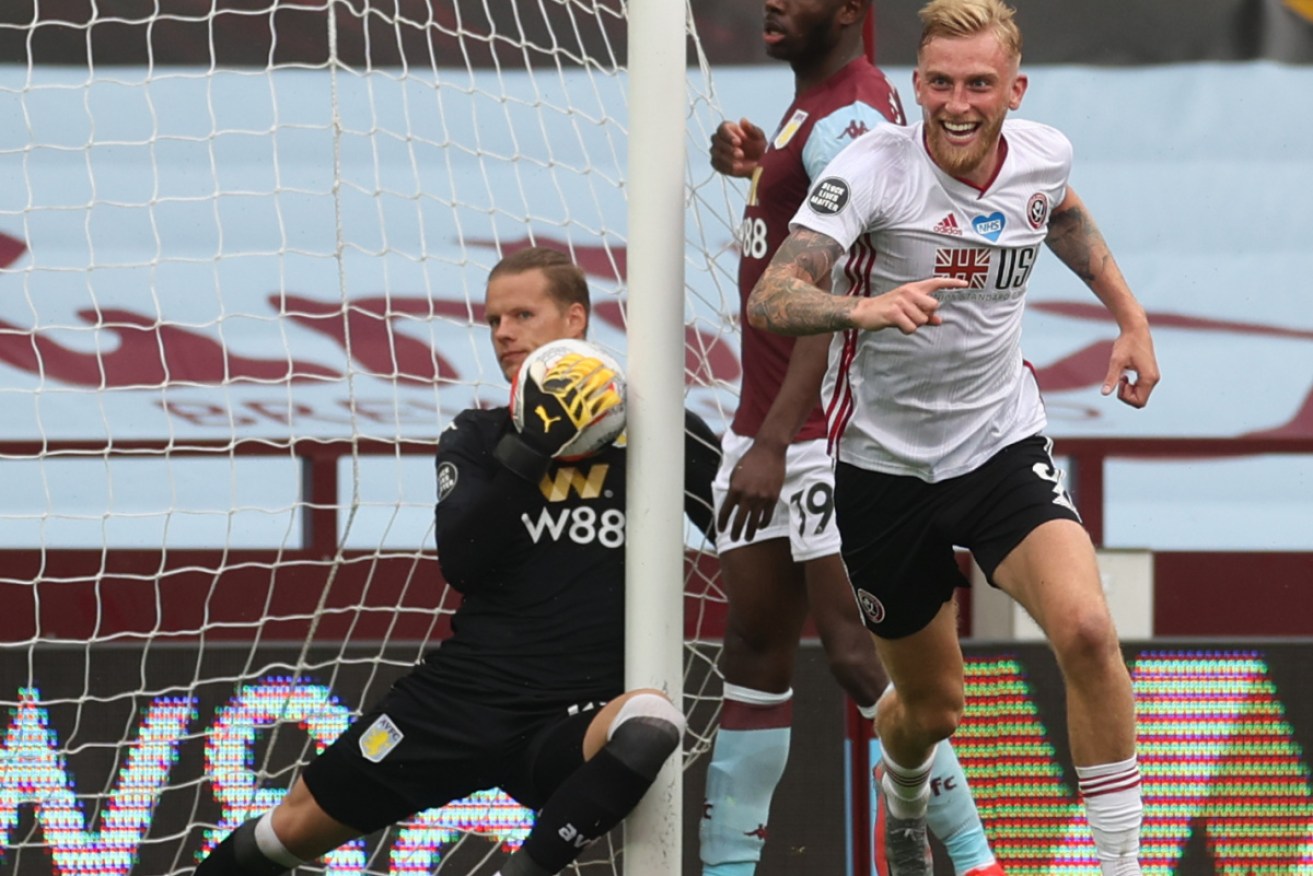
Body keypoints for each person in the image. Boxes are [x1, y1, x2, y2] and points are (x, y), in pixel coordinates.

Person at [746, 0, 1160, 874]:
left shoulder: (1042, 154)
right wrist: (862, 306)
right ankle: (902, 797)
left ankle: (1122, 865)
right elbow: (774, 296)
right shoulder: (870, 171)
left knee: (1087, 629)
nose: (958, 103)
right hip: (882, 470)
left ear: (1014, 89)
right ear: (915, 85)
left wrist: (1129, 317)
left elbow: (1062, 217)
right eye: (939, 82)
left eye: (979, 84)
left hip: (1000, 444)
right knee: (930, 710)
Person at [192, 246, 721, 876]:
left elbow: (735, 536)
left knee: (652, 721)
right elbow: (463, 565)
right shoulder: (477, 436)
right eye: (493, 320)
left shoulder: (661, 433)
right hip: (463, 699)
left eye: (523, 314)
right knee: (293, 827)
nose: (503, 334)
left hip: (571, 715)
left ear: (576, 318)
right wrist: (531, 446)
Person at [700, 1, 1002, 875]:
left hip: (814, 435)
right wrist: (767, 167)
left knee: (856, 654)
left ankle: (977, 863)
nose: (771, 3)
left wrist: (778, 439)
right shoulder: (820, 109)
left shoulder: (858, 111)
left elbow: (838, 305)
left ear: (845, 10)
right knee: (754, 654)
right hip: (760, 426)